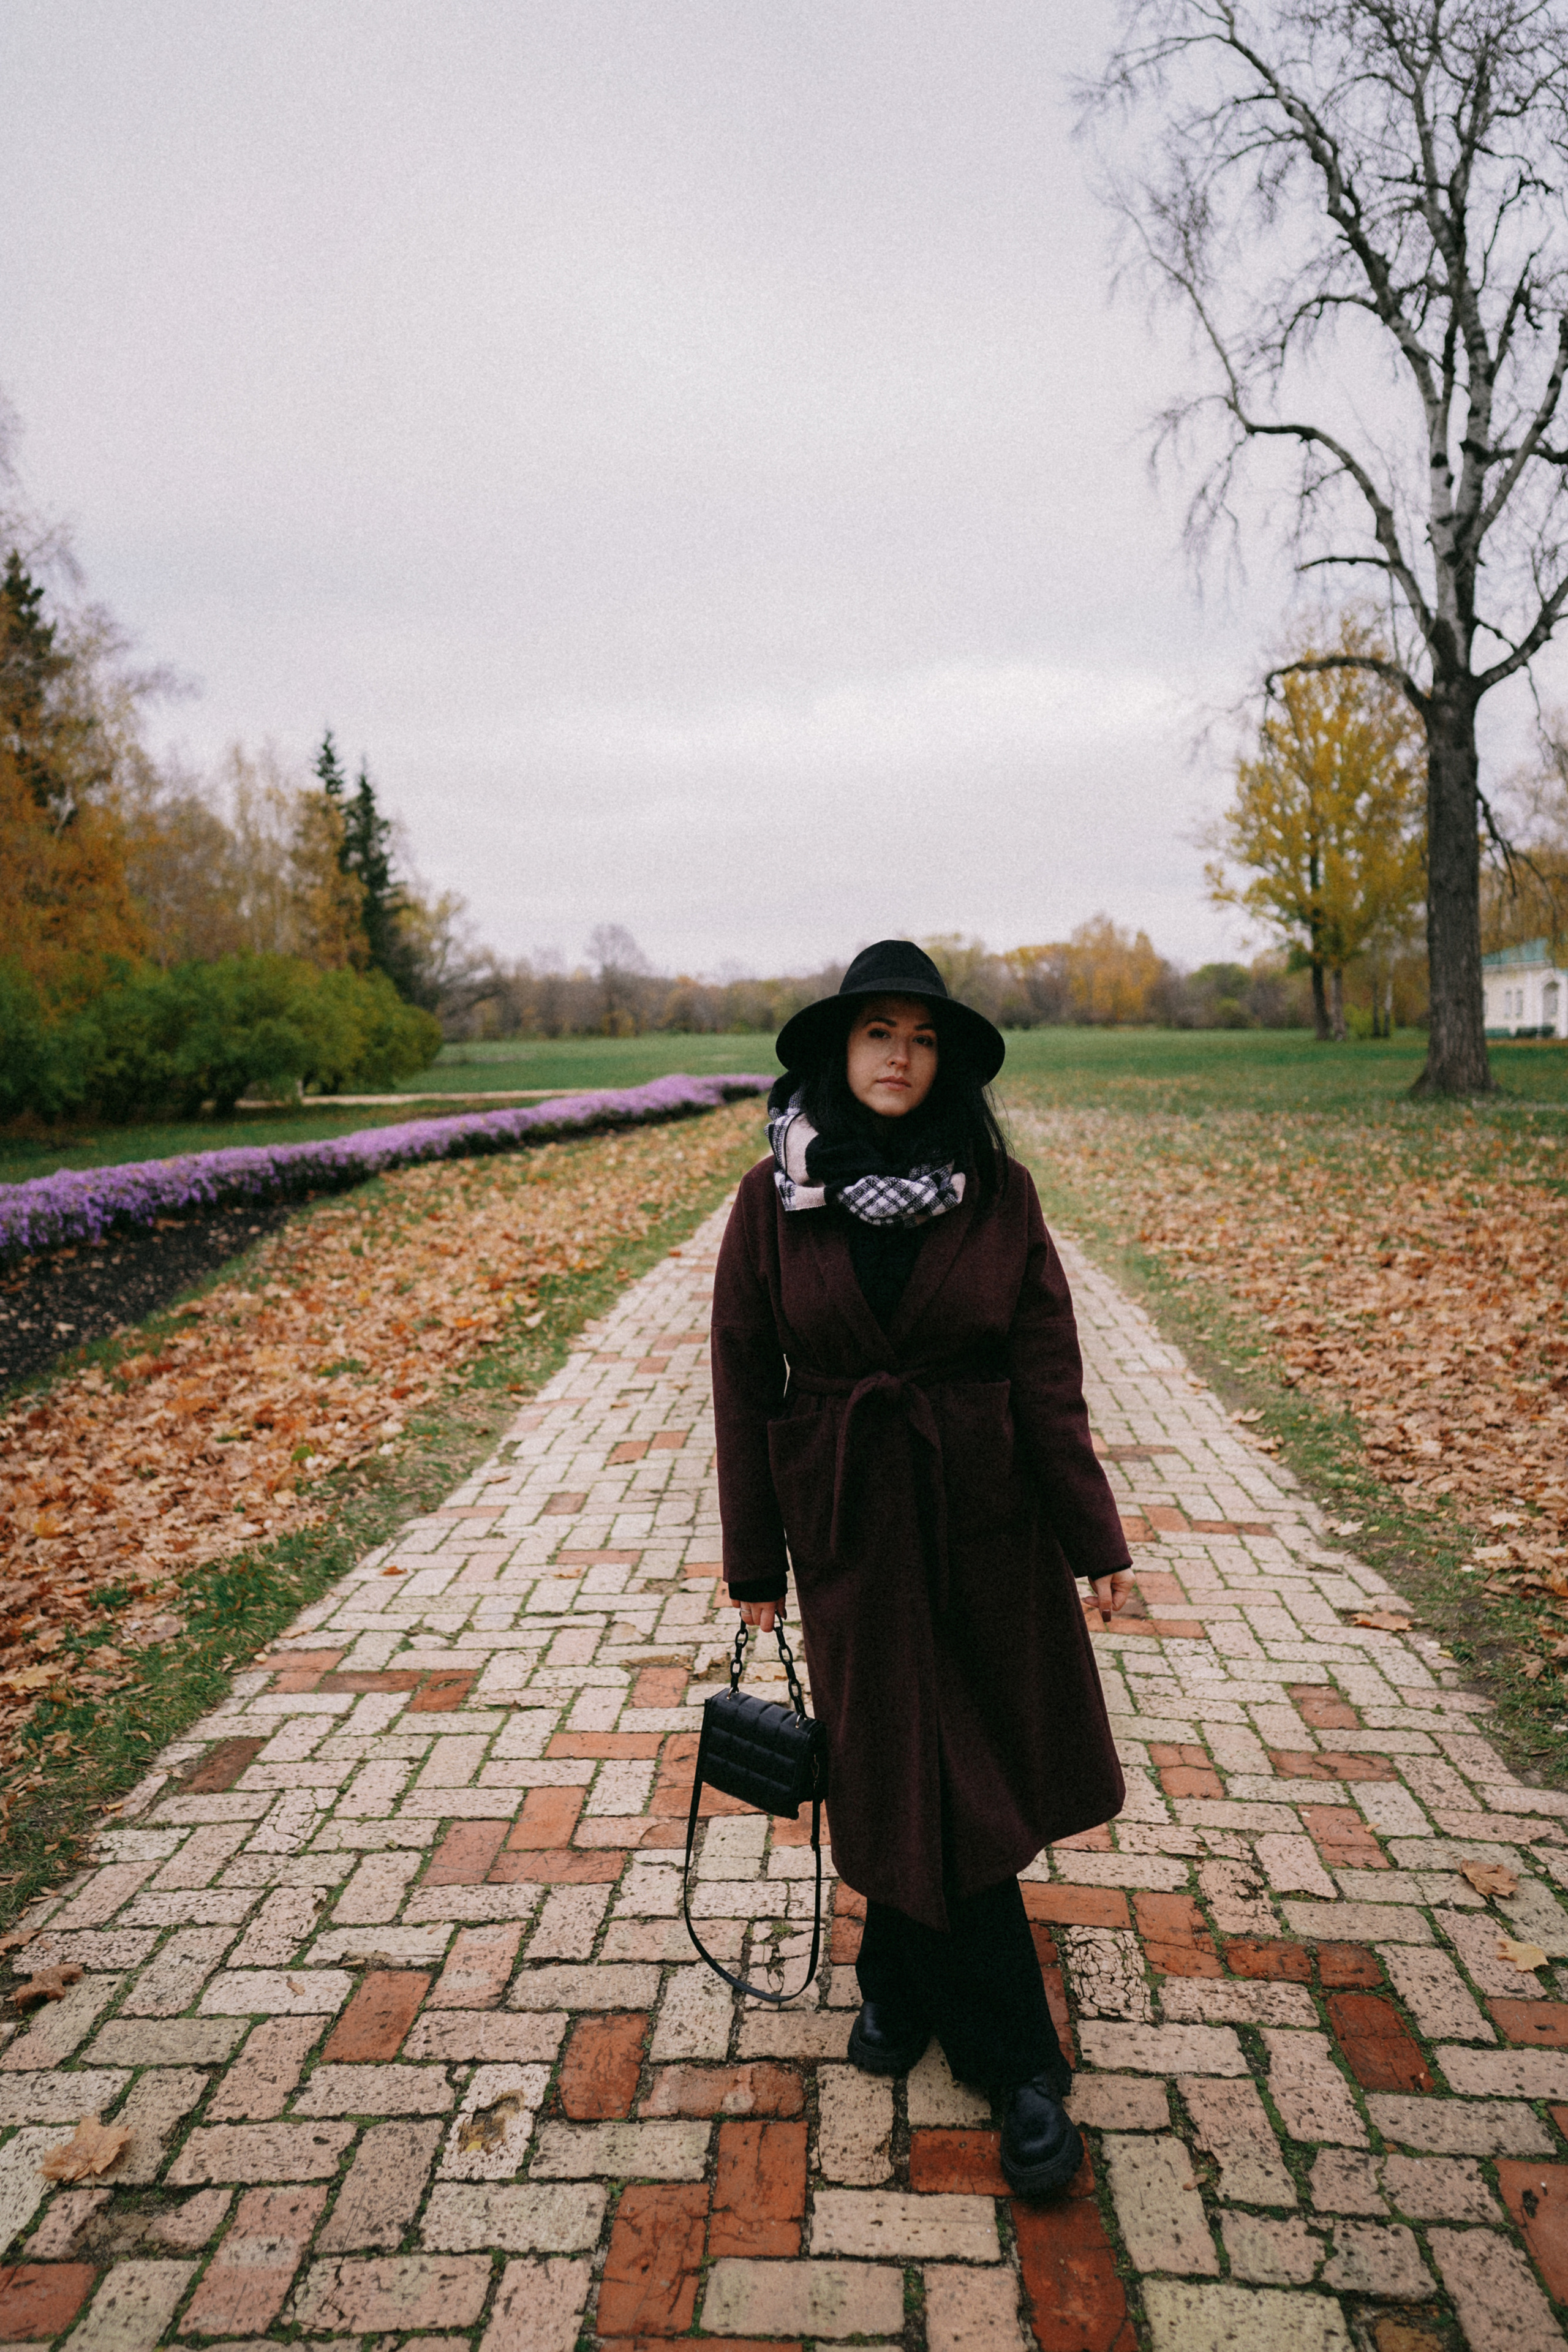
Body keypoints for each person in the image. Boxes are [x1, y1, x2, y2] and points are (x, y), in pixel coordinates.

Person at [709, 938, 1132, 2198]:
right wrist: (754, 1561)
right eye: (877, 1032)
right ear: (839, 1053)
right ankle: (1019, 2069)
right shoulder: (768, 1200)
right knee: (907, 1758)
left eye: (923, 1036)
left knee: (946, 1764)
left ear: (944, 1062)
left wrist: (1092, 1536)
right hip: (847, 1527)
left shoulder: (999, 1196)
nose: (899, 1056)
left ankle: (911, 1996)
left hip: (982, 1523)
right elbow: (742, 1378)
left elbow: (1047, 1379)